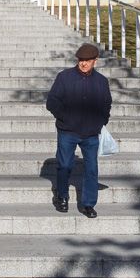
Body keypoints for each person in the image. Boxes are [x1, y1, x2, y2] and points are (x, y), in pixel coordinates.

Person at [45, 42, 111, 219]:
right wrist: (64, 117)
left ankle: (88, 204)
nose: (83, 63)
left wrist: (101, 121)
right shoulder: (64, 77)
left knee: (91, 169)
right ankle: (62, 196)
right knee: (64, 165)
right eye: (81, 60)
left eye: (87, 60)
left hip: (91, 133)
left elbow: (106, 104)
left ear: (95, 61)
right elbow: (52, 102)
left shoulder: (101, 81)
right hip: (67, 130)